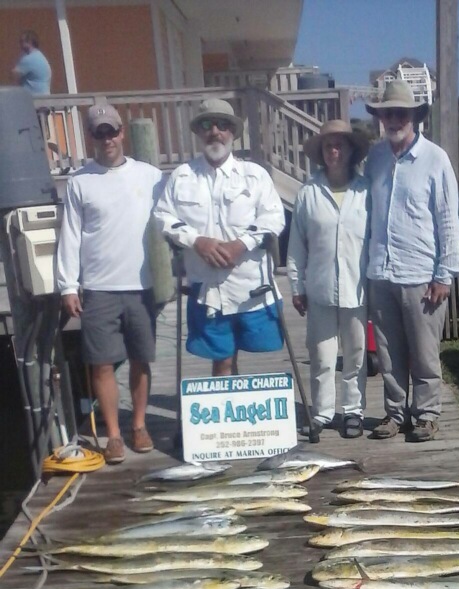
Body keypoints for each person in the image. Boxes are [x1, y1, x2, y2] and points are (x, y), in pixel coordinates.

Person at [56, 103, 163, 465]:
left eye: (112, 131)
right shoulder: (79, 182)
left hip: (142, 286)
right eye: (99, 133)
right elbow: (69, 237)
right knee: (101, 364)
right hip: (98, 287)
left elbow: (177, 221)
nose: (107, 139)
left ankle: (139, 425)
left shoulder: (151, 176)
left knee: (141, 359)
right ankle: (114, 434)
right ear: (91, 138)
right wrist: (67, 286)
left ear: (122, 132)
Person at [153, 98, 285, 379]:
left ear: (233, 133)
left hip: (252, 288)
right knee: (221, 360)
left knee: (262, 350)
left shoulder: (255, 175)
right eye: (207, 124)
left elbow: (274, 218)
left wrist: (241, 244)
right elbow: (163, 216)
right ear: (198, 132)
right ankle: (226, 420)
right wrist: (196, 241)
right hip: (207, 289)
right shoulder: (181, 176)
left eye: (223, 125)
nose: (215, 131)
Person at [365, 79, 459, 442]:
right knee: (389, 354)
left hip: (422, 274)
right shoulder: (374, 158)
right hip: (381, 271)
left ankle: (426, 414)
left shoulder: (435, 159)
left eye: (400, 113)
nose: (394, 119)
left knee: (424, 353)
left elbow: (449, 221)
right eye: (388, 113)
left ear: (414, 117)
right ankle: (395, 413)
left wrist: (445, 273)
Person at [287, 119, 370, 439]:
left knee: (355, 355)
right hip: (319, 288)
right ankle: (322, 412)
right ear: (321, 152)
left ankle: (353, 411)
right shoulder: (308, 192)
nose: (334, 150)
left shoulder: (365, 191)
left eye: (340, 144)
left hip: (357, 286)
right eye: (328, 145)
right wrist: (296, 285)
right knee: (321, 356)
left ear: (351, 150)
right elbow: (297, 245)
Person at [12, 30, 51, 95]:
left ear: (29, 42)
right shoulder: (40, 56)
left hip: (34, 99)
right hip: (43, 97)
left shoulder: (29, 59)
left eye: (22, 41)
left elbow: (13, 75)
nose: (20, 44)